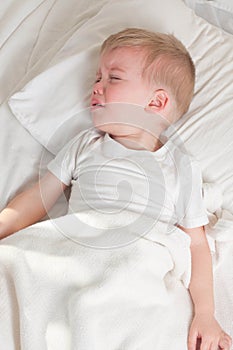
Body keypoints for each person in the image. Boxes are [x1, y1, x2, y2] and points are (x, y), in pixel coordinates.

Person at [0, 28, 232, 350]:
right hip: (74, 246)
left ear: (156, 101)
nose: (96, 86)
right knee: (18, 268)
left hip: (136, 257)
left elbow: (196, 246)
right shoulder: (86, 145)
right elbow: (38, 199)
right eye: (98, 76)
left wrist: (205, 314)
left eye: (114, 78)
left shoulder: (180, 166)